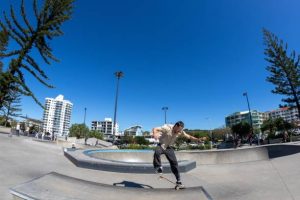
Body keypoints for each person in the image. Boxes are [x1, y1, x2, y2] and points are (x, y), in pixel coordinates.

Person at [152, 121, 205, 188]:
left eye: (180, 130)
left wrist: (197, 139)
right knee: (157, 152)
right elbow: (155, 128)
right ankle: (158, 167)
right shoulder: (167, 128)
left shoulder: (181, 131)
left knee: (174, 163)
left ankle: (178, 181)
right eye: (178, 129)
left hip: (169, 148)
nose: (179, 131)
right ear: (175, 126)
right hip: (161, 145)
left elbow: (188, 136)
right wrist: (154, 134)